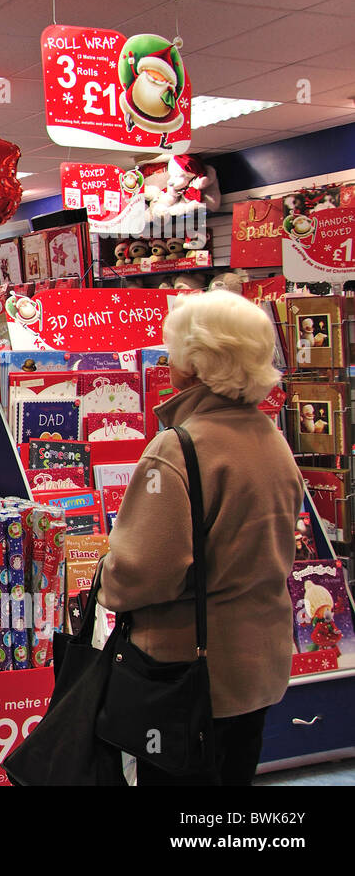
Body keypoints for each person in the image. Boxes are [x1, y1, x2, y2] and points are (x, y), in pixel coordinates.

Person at [99, 290, 305, 787]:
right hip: (258, 666)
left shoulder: (178, 448)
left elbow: (142, 573)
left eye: (171, 350)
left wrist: (102, 578)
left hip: (186, 675)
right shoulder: (271, 439)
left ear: (193, 363)